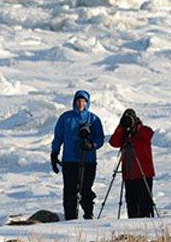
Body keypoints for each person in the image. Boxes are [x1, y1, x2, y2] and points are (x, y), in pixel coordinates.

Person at [50, 90, 104, 221]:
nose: (81, 104)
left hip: (88, 160)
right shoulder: (66, 118)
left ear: (87, 103)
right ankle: (70, 218)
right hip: (70, 160)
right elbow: (58, 136)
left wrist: (92, 145)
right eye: (79, 101)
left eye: (84, 101)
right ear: (74, 102)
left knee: (86, 189)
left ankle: (88, 215)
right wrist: (54, 152)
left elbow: (100, 138)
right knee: (70, 190)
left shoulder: (94, 119)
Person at [107, 108, 156, 218]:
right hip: (129, 174)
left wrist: (136, 127)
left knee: (145, 202)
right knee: (131, 203)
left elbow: (149, 134)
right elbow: (113, 142)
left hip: (144, 173)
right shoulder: (123, 134)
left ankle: (148, 222)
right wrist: (121, 127)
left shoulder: (142, 130)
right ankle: (133, 222)